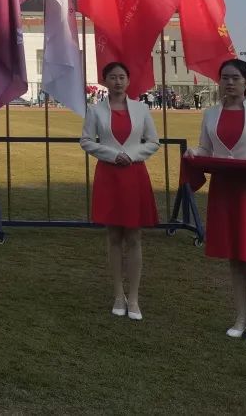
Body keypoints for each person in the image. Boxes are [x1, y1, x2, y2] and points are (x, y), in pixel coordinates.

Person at [184, 59, 246, 343]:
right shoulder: (210, 114)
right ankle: (241, 317)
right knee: (234, 257)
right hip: (224, 190)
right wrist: (195, 152)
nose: (229, 83)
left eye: (235, 78)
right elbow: (206, 148)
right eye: (224, 78)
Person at [80, 62, 161, 320]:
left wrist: (131, 155)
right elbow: (86, 141)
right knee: (114, 236)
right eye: (113, 77)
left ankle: (133, 297)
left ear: (128, 80)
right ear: (105, 81)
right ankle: (118, 294)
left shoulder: (141, 109)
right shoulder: (95, 110)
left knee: (134, 236)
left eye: (122, 77)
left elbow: (153, 141)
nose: (117, 81)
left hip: (134, 175)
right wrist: (113, 155)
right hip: (109, 175)